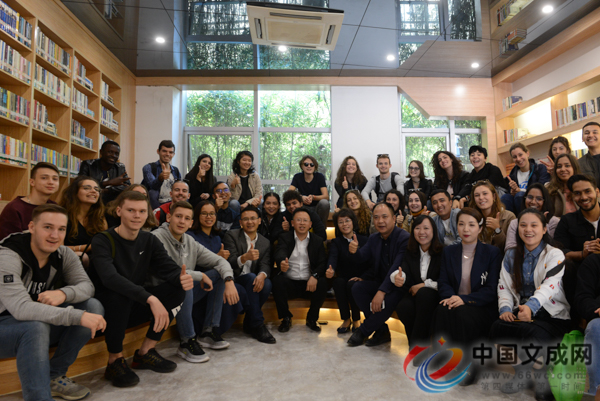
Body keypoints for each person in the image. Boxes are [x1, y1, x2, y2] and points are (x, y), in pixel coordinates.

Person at [0, 204, 106, 401]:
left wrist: (63, 294)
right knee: (34, 328)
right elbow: (21, 308)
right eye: (47, 227)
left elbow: (87, 286)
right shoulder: (7, 255)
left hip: (32, 322)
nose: (54, 235)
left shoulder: (62, 253)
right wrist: (76, 316)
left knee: (93, 306)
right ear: (32, 227)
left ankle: (54, 376)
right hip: (6, 325)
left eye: (61, 229)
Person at [89, 191, 192, 388]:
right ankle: (114, 361)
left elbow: (168, 268)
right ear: (119, 211)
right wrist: (150, 299)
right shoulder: (102, 240)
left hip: (135, 303)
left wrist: (181, 278)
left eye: (142, 211)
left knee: (177, 290)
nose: (137, 215)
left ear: (147, 214)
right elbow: (110, 279)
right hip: (108, 308)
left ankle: (145, 352)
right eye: (131, 210)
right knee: (119, 295)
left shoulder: (149, 240)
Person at [490, 208, 570, 400]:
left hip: (551, 315)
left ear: (544, 229)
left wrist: (531, 306)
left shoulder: (555, 254)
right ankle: (521, 372)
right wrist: (505, 308)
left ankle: (542, 377)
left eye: (534, 225)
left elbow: (550, 286)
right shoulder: (511, 254)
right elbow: (504, 285)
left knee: (534, 337)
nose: (528, 230)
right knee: (496, 329)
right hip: (522, 312)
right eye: (523, 225)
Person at [151, 201, 232, 362]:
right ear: (169, 217)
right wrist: (199, 275)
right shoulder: (155, 238)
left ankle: (208, 331)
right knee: (185, 281)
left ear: (191, 223)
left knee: (218, 274)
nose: (182, 221)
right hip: (159, 293)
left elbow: (219, 261)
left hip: (182, 291)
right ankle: (187, 341)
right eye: (178, 216)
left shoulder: (189, 241)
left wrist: (229, 280)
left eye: (187, 218)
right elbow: (172, 273)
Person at [433, 207, 502, 386]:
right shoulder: (449, 251)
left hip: (481, 306)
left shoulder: (491, 253)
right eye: (461, 224)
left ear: (480, 228)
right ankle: (446, 356)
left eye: (471, 225)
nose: (466, 229)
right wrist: (451, 298)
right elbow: (443, 281)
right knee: (442, 309)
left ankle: (471, 364)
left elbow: (491, 289)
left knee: (463, 313)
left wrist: (463, 299)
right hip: (456, 301)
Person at [347, 202, 410, 347]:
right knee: (356, 287)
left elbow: (396, 266)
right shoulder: (374, 238)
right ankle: (381, 330)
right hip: (380, 281)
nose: (380, 221)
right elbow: (362, 257)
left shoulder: (404, 237)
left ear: (393, 218)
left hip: (399, 285)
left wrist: (382, 291)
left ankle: (363, 331)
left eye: (384, 217)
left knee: (390, 298)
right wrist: (354, 251)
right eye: (376, 217)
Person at [186, 200, 240, 344]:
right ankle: (208, 329)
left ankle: (210, 330)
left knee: (223, 275)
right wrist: (218, 257)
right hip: (194, 283)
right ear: (197, 216)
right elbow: (190, 265)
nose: (209, 217)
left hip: (212, 284)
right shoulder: (190, 237)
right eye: (204, 213)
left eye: (212, 213)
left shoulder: (217, 238)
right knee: (220, 273)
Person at [222, 206, 276, 344]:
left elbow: (265, 264)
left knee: (267, 283)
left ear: (259, 221)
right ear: (240, 222)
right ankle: (258, 324)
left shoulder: (264, 242)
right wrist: (245, 257)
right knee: (252, 277)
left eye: (253, 218)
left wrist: (262, 275)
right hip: (234, 278)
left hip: (252, 279)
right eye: (246, 219)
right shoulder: (231, 235)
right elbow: (229, 261)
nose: (250, 222)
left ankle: (249, 321)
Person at [272, 207, 328, 333]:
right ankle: (286, 318)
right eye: (298, 220)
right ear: (292, 223)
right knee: (277, 280)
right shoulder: (284, 237)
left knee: (322, 282)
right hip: (290, 284)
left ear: (310, 224)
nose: (302, 223)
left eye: (305, 220)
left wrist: (314, 276)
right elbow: (280, 252)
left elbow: (322, 263)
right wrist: (282, 262)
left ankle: (312, 319)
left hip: (309, 285)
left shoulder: (317, 240)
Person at [393, 215, 443, 349]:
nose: (422, 232)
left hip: (436, 294)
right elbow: (403, 271)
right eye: (417, 228)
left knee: (424, 294)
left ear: (433, 231)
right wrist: (398, 277)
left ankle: (418, 348)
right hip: (415, 295)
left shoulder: (443, 252)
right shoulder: (410, 251)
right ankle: (416, 345)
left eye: (426, 228)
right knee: (404, 306)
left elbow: (445, 281)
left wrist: (424, 285)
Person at [327, 209, 370, 333]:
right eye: (341, 222)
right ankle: (346, 319)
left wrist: (363, 277)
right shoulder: (336, 242)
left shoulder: (365, 240)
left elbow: (370, 262)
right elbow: (332, 258)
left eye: (347, 221)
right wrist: (330, 269)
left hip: (361, 276)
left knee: (353, 285)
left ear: (353, 222)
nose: (344, 224)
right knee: (338, 283)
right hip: (344, 276)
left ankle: (356, 319)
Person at [0, 162, 59, 240]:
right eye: (44, 178)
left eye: (55, 179)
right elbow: (8, 243)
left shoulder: (54, 207)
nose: (51, 182)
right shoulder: (14, 208)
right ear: (32, 182)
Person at [59, 176, 107, 267]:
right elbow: (59, 248)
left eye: (96, 189)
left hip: (96, 261)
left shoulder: (99, 217)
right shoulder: (62, 216)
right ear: (75, 192)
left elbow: (105, 243)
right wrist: (90, 247)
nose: (93, 191)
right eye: (87, 188)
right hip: (70, 261)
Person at [554, 174, 600, 263]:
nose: (583, 197)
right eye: (577, 193)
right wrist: (582, 254)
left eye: (587, 191)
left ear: (597, 192)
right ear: (573, 196)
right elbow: (558, 252)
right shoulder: (566, 221)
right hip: (579, 269)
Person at [505, 183, 560, 250]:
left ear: (545, 201)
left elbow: (553, 248)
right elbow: (510, 249)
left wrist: (543, 224)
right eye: (530, 197)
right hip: (519, 256)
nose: (533, 202)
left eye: (539, 199)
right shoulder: (515, 223)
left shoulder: (554, 222)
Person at [575, 253, 600, 398]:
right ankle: (595, 393)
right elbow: (582, 299)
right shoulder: (593, 262)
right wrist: (597, 309)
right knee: (595, 327)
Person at [501, 143, 550, 214]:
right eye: (515, 157)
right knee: (505, 197)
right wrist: (512, 192)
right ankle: (511, 220)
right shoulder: (512, 174)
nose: (518, 159)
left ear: (527, 153)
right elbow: (510, 193)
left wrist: (519, 190)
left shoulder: (539, 168)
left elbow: (541, 189)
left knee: (519, 195)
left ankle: (526, 218)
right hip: (517, 208)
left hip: (536, 203)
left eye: (520, 155)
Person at [469, 180, 515, 252]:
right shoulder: (472, 219)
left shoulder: (509, 217)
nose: (481, 197)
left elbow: (510, 249)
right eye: (477, 195)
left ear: (494, 196)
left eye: (485, 193)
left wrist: (498, 230)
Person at [289, 155, 330, 226]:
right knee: (293, 203)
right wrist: (301, 197)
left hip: (317, 207)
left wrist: (313, 197)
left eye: (312, 164)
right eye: (306, 164)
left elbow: (326, 197)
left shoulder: (320, 177)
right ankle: (296, 227)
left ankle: (321, 227)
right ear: (302, 166)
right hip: (302, 207)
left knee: (324, 203)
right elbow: (289, 193)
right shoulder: (297, 177)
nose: (309, 166)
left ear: (315, 167)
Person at [141, 140, 182, 209]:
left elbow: (179, 188)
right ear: (158, 151)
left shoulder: (175, 170)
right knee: (152, 193)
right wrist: (160, 178)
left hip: (172, 202)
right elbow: (152, 186)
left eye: (170, 152)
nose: (167, 154)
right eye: (164, 151)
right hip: (155, 203)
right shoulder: (149, 167)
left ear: (173, 154)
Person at [547, 153, 579, 217]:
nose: (563, 169)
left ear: (574, 168)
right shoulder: (549, 190)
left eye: (567, 166)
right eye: (559, 166)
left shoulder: (583, 188)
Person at [577, 122, 600, 188]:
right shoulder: (579, 163)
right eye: (587, 133)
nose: (590, 135)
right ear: (582, 138)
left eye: (595, 132)